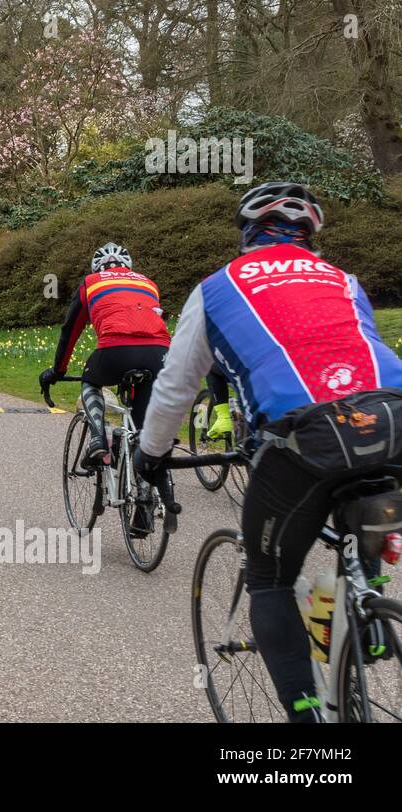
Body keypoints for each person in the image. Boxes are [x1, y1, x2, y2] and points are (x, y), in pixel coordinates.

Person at [134, 181, 402, 723]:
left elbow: (176, 387)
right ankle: (369, 595)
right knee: (368, 486)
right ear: (309, 237)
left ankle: (307, 725)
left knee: (272, 578)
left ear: (247, 233)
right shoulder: (343, 279)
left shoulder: (216, 289)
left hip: (304, 435)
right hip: (393, 417)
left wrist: (150, 453)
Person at [39, 243, 173, 479]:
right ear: (128, 267)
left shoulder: (91, 282)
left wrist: (58, 370)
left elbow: (70, 330)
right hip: (160, 352)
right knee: (142, 427)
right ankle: (147, 493)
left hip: (115, 348)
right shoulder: (147, 283)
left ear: (97, 267)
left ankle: (99, 439)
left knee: (90, 381)